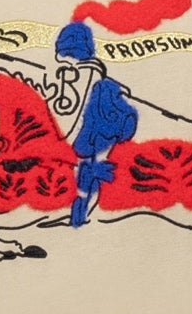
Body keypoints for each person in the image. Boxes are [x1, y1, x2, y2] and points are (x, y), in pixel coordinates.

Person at [54, 20, 139, 227]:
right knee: (83, 173)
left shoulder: (100, 85)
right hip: (84, 135)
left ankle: (80, 216)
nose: (68, 58)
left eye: (70, 52)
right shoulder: (72, 75)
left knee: (90, 173)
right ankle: (79, 214)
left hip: (98, 132)